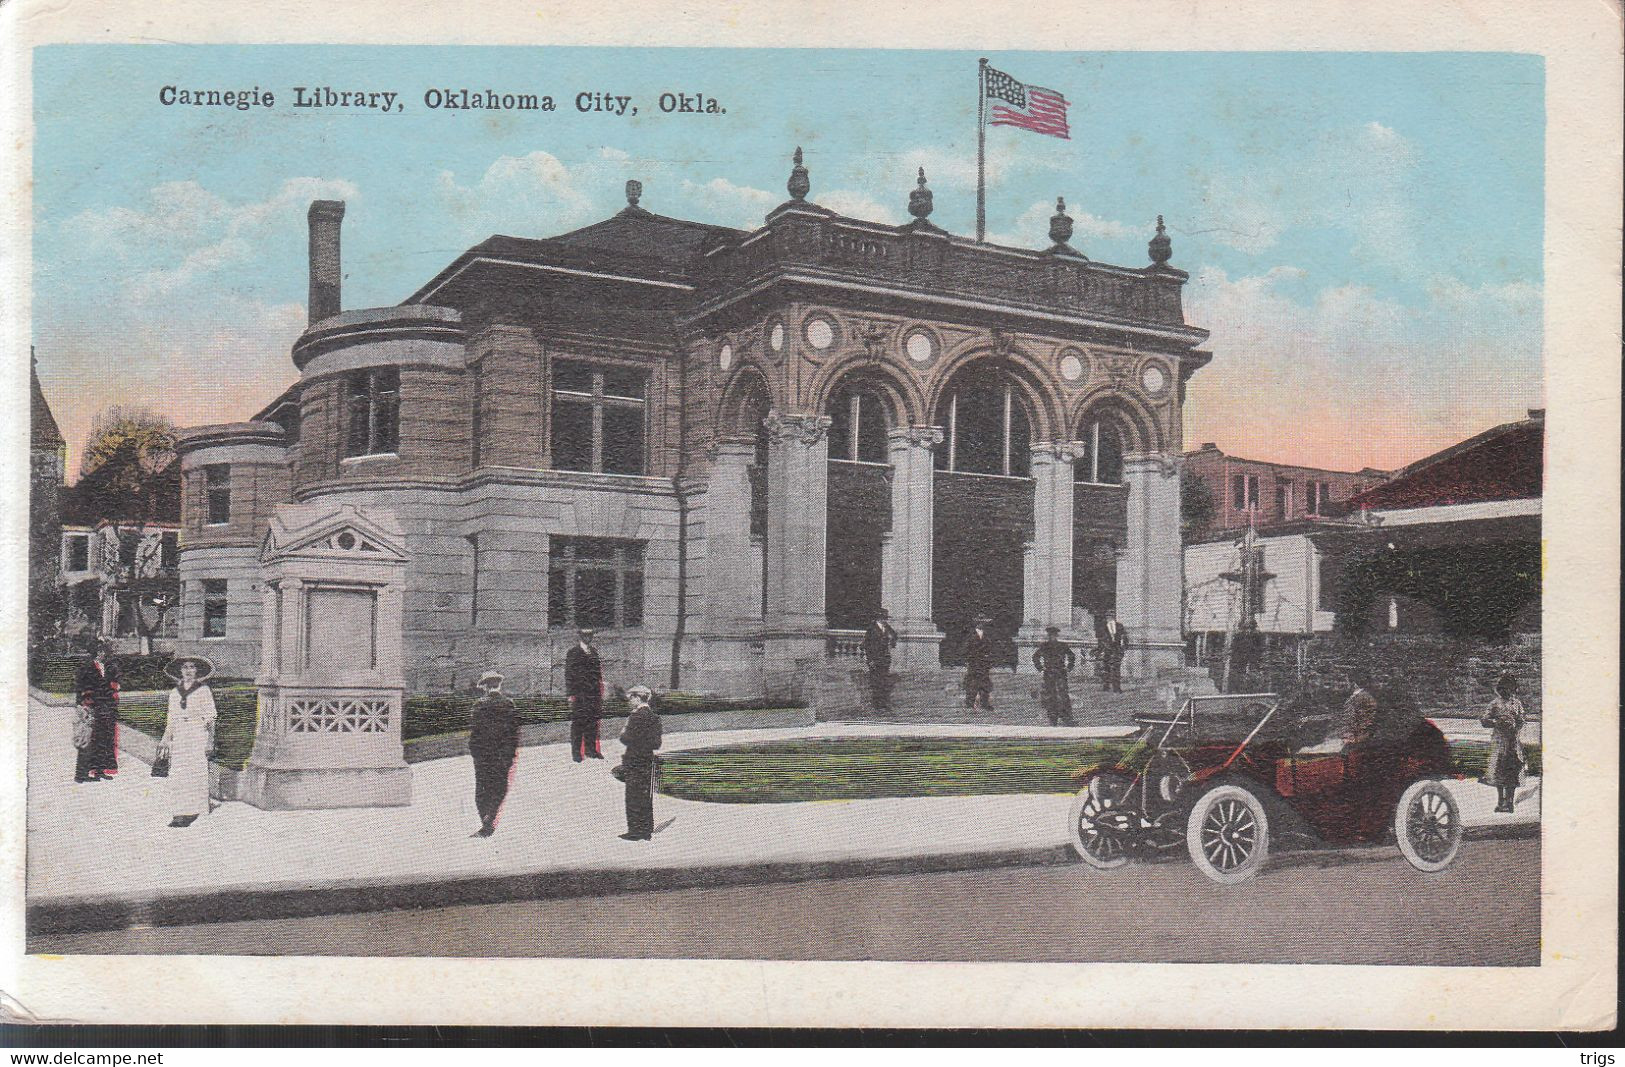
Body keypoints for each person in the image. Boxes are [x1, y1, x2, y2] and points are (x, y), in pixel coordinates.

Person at [159, 655, 217, 828]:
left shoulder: (203, 690)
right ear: (180, 671)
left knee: (195, 771)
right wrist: (165, 739)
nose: (188, 671)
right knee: (178, 772)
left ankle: (192, 810)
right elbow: (171, 718)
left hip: (197, 733)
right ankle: (180, 811)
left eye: (192, 667)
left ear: (197, 671)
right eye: (185, 667)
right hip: (180, 734)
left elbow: (211, 718)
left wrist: (210, 742)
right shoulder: (174, 693)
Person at [468, 669, 520, 837]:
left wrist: (475, 753)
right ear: (499, 684)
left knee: (482, 790)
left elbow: (475, 733)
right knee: (498, 788)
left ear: (485, 686)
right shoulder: (509, 704)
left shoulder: (479, 705)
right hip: (502, 755)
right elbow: (513, 732)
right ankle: (490, 819)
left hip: (484, 755)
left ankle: (486, 821)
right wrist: (510, 754)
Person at [616, 684, 663, 841]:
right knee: (645, 794)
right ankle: (646, 829)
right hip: (647, 759)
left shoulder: (635, 717)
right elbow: (657, 744)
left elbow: (625, 739)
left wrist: (624, 733)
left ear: (637, 697)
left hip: (634, 759)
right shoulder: (655, 718)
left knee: (633, 795)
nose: (630, 701)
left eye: (631, 698)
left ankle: (635, 830)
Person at [1480, 672, 1527, 813]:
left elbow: (1522, 719)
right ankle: (1501, 801)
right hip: (1499, 742)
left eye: (1510, 689)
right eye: (1504, 689)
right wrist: (1496, 722)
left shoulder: (1516, 703)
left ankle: (1510, 802)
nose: (1507, 692)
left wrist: (1515, 725)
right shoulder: (1495, 704)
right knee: (1499, 771)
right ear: (1500, 689)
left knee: (1512, 771)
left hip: (1512, 741)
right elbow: (1484, 719)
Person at [73, 642, 120, 782]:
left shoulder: (105, 667)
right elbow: (79, 686)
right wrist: (80, 705)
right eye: (100, 651)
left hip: (104, 708)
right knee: (87, 740)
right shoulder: (88, 667)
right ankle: (81, 775)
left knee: (103, 740)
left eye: (104, 651)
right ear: (96, 652)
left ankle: (99, 771)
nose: (103, 654)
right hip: (92, 707)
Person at [564, 628, 605, 762]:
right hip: (580, 694)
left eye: (590, 635)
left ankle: (591, 750)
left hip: (593, 694)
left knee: (592, 722)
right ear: (580, 636)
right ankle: (576, 753)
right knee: (578, 723)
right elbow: (569, 675)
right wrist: (570, 694)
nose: (588, 637)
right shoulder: (573, 653)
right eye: (585, 635)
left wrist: (600, 692)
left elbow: (598, 674)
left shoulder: (594, 652)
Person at [1032, 625, 1077, 726]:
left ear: (1056, 636)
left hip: (1061, 672)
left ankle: (1067, 718)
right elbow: (1035, 657)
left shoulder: (1063, 645)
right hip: (1049, 673)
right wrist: (1040, 667)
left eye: (1054, 635)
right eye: (1050, 635)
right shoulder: (1044, 646)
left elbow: (1072, 656)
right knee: (1050, 695)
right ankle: (1053, 718)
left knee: (1064, 695)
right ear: (1048, 636)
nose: (1052, 637)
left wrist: (1069, 667)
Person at [861, 609, 898, 712]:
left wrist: (892, 641)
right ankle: (877, 704)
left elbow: (895, 636)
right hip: (875, 659)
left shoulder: (886, 627)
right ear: (879, 618)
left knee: (884, 681)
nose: (886, 620)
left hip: (885, 658)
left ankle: (884, 704)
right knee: (876, 682)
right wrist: (870, 660)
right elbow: (867, 645)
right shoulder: (871, 628)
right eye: (884, 618)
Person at [963, 616, 995, 710]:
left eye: (983, 623)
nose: (982, 624)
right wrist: (971, 659)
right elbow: (966, 649)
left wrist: (989, 659)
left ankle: (985, 703)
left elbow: (990, 649)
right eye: (980, 622)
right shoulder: (971, 635)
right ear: (976, 624)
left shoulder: (986, 636)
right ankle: (970, 702)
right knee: (972, 683)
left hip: (984, 664)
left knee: (985, 684)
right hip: (974, 663)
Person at [1099, 612, 1129, 693]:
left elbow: (1124, 637)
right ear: (1106, 617)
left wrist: (1123, 647)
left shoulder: (1119, 626)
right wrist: (1102, 649)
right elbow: (1101, 639)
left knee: (1116, 669)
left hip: (1117, 650)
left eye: (1112, 616)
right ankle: (1106, 686)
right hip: (1106, 651)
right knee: (1106, 669)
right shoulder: (1102, 627)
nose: (1110, 617)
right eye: (1108, 616)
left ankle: (1116, 688)